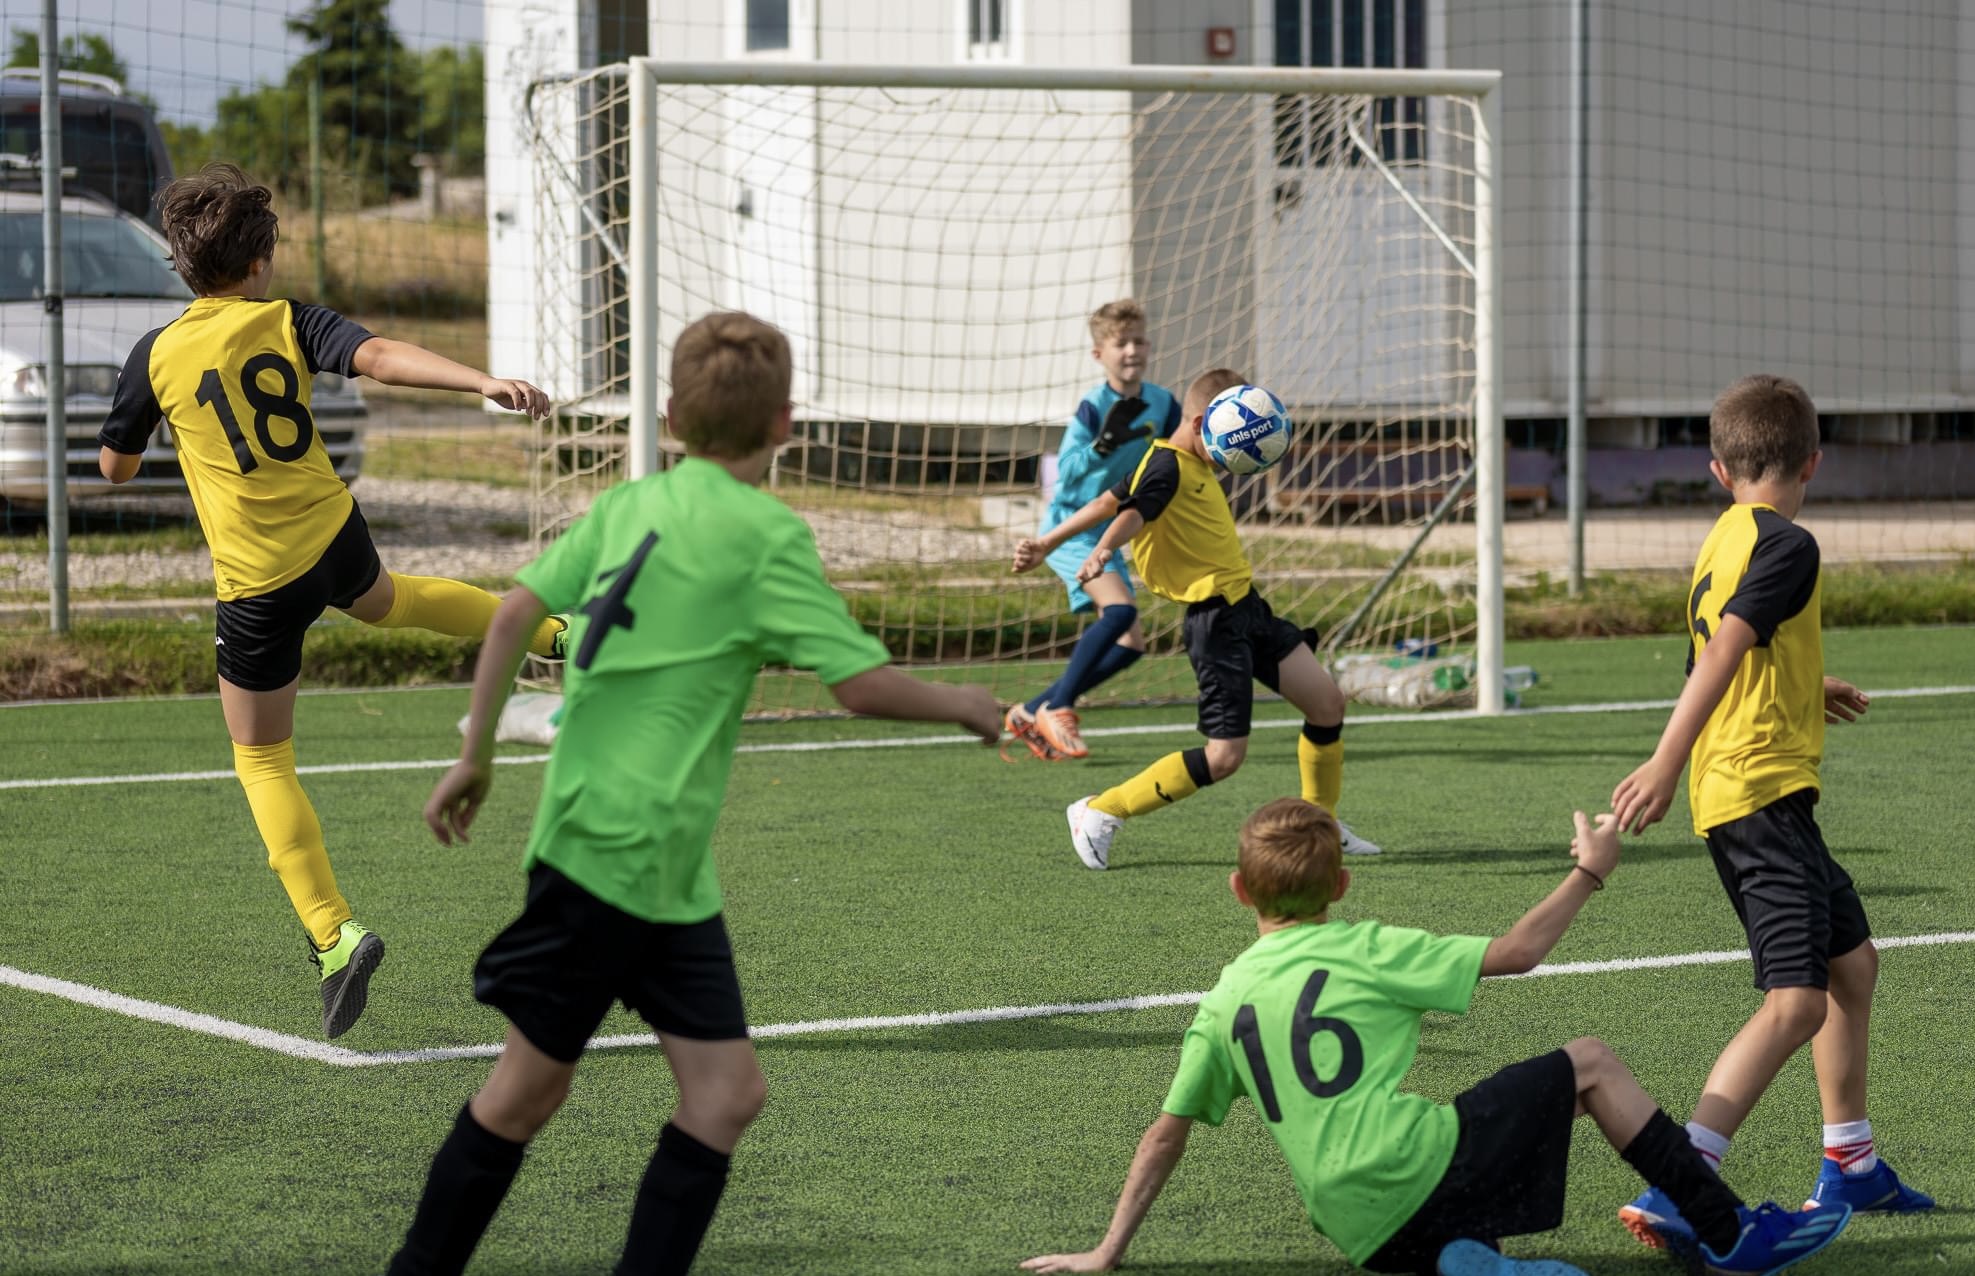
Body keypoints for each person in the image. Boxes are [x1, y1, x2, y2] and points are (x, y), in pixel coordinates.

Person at [387, 312, 1003, 1276]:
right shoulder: (766, 534)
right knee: (523, 1096)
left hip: (656, 870)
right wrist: (970, 704)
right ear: (786, 425)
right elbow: (858, 684)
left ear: (669, 415)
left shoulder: (632, 503)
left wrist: (478, 753)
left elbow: (512, 612)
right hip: (613, 858)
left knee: (724, 1095)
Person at [95, 163, 568, 1039]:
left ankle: (333, 934)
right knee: (390, 601)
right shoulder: (286, 321)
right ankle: (555, 630)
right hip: (331, 532)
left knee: (262, 760)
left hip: (257, 585)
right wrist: (481, 382)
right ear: (261, 262)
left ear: (181, 266)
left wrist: (148, 436)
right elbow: (380, 356)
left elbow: (114, 466)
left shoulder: (153, 355)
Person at [1020, 798, 1854, 1276]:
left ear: (1239, 891)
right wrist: (1590, 867)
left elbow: (1166, 1132)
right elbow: (1521, 952)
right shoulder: (1364, 945)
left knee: (1465, 1180)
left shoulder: (1222, 1002)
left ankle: (1465, 1259)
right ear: (1341, 885)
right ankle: (1727, 1234)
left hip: (1358, 1229)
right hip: (1415, 1164)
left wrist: (1106, 1251)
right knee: (1590, 1064)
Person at [1609, 374, 1933, 1248]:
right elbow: (1722, 653)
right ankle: (1684, 1180)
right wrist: (1663, 761)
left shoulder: (1726, 537)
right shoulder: (1791, 543)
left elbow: (1733, 647)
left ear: (1719, 469)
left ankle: (1851, 1165)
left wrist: (1801, 681)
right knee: (1796, 1004)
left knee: (1852, 967)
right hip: (1755, 795)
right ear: (1814, 462)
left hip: (1758, 790)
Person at [1012, 367, 1380, 868]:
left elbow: (1106, 499)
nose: (1236, 461)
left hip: (1248, 609)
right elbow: (1133, 512)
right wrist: (1100, 551)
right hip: (1214, 624)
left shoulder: (1188, 462)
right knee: (1224, 757)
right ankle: (1100, 810)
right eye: (1234, 446)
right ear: (1206, 420)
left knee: (1327, 703)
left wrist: (1047, 542)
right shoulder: (1167, 466)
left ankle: (1322, 823)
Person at [1005, 299, 1179, 761]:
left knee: (1131, 645)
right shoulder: (1093, 407)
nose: (1131, 351)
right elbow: (1070, 473)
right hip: (1069, 527)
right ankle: (1059, 707)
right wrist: (1104, 446)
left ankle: (1029, 711)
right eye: (1120, 343)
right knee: (1119, 614)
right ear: (1099, 354)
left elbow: (1180, 455)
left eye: (1138, 340)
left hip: (1111, 528)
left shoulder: (1162, 404)